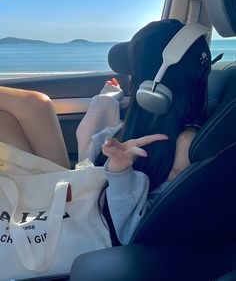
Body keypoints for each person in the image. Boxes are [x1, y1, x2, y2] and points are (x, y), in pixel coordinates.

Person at [0, 19, 211, 246]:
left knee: (18, 114)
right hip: (81, 198)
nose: (130, 79)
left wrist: (121, 174)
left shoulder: (184, 147)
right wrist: (107, 100)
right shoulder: (151, 123)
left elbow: (136, 232)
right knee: (27, 109)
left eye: (134, 74)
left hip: (85, 227)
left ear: (152, 89)